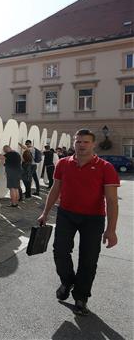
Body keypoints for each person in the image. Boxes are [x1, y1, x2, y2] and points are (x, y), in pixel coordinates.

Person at [38, 129, 119, 316]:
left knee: (89, 259)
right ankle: (67, 281)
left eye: (86, 142)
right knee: (59, 251)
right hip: (66, 214)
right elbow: (55, 189)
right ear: (74, 143)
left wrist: (111, 230)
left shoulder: (105, 167)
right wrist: (45, 213)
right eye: (78, 141)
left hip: (93, 218)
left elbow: (112, 201)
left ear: (93, 144)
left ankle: (81, 297)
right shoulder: (64, 164)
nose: (81, 145)